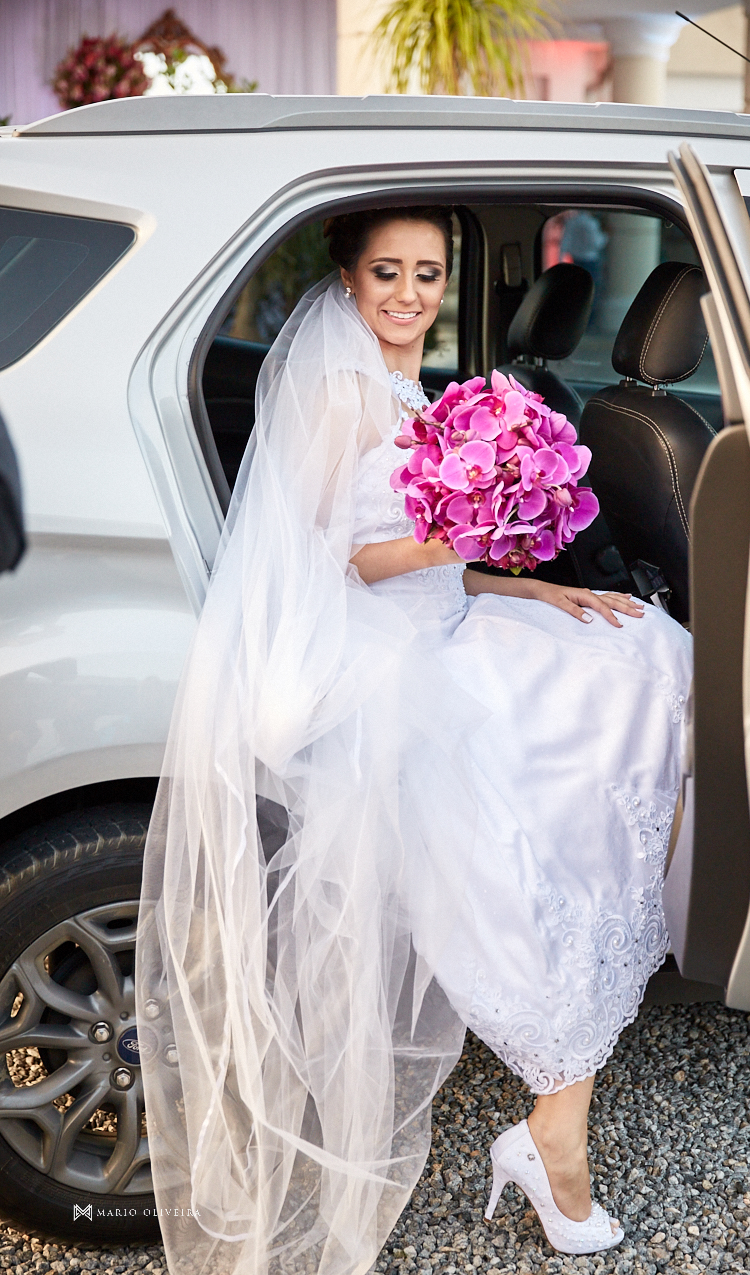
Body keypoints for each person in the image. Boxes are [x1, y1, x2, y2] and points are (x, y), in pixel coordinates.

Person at [138, 206, 692, 1275]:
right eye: (385, 272)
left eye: (427, 274)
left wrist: (512, 578)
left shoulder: (413, 390)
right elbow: (332, 555)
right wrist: (466, 535)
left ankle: (557, 1111)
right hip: (382, 653)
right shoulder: (340, 392)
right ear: (347, 280)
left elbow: (422, 548)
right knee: (558, 790)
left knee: (647, 655)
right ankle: (554, 1132)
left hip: (444, 611)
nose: (407, 293)